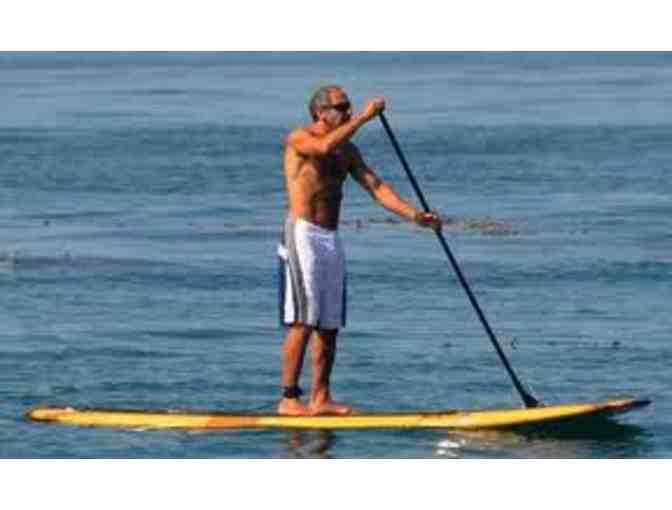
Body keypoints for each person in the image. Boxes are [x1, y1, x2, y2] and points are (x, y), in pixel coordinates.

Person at [277, 85, 442, 416]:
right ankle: (289, 399)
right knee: (304, 320)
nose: (348, 112)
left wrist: (415, 216)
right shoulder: (299, 138)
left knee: (329, 324)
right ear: (320, 112)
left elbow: (376, 187)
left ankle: (320, 397)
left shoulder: (348, 152)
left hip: (331, 238)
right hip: (303, 234)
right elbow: (322, 147)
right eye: (341, 107)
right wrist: (365, 117)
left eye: (350, 107)